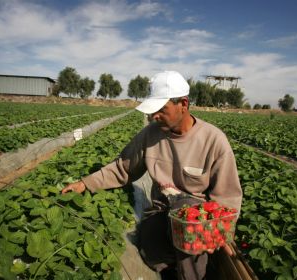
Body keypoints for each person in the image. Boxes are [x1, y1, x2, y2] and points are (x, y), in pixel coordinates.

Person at [62, 70, 242, 280]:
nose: (153, 116)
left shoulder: (214, 140)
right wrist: (85, 183)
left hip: (195, 219)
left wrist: (217, 231)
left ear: (183, 104)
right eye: (152, 110)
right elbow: (123, 168)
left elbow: (227, 195)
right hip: (161, 209)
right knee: (151, 254)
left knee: (186, 231)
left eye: (161, 109)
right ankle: (172, 265)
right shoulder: (150, 135)